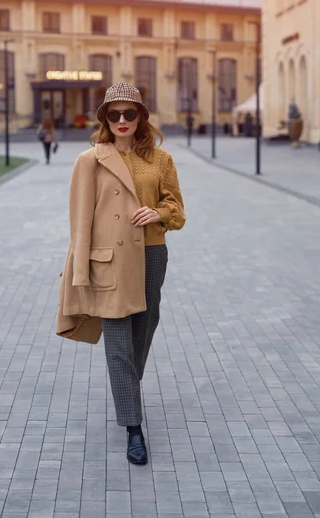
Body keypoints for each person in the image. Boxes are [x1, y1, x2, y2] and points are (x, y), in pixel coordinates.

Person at [56, 82, 186, 465]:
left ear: (141, 117)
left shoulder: (160, 160)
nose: (123, 120)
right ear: (105, 118)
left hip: (150, 254)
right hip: (108, 262)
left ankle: (127, 389)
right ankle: (134, 428)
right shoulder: (90, 160)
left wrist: (158, 214)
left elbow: (176, 207)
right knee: (118, 346)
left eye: (130, 113)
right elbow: (79, 221)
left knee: (143, 330)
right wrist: (80, 271)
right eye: (115, 114)